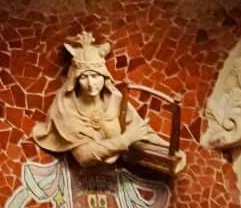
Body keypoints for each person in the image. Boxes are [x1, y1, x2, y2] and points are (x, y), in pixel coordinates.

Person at [32, 31, 185, 178]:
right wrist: (125, 140)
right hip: (77, 179)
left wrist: (172, 150)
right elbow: (84, 155)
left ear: (105, 77)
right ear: (76, 79)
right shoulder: (66, 108)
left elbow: (141, 131)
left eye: (96, 76)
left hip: (119, 176)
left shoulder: (115, 100)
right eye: (85, 77)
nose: (91, 84)